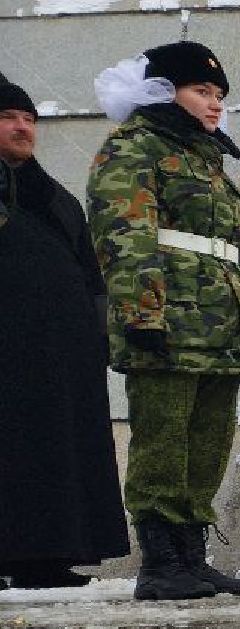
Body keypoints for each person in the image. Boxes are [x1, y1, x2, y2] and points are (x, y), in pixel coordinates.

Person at [88, 43, 240, 601]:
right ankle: (162, 562)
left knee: (209, 441)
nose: (215, 105)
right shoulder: (134, 148)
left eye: (219, 95)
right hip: (168, 323)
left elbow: (238, 250)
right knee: (164, 442)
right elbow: (124, 235)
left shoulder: (206, 159)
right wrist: (143, 314)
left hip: (217, 325)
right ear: (165, 92)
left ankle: (192, 556)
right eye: (202, 92)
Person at [0, 72, 131, 589]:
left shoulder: (56, 199)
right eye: (9, 117)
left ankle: (47, 556)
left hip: (61, 357)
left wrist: (98, 337)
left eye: (29, 119)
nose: (22, 128)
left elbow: (89, 271)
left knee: (58, 452)